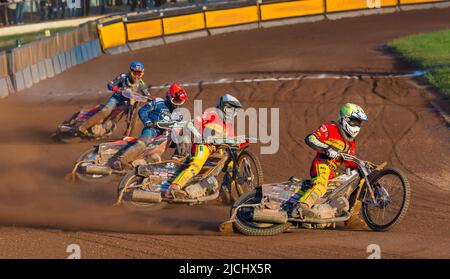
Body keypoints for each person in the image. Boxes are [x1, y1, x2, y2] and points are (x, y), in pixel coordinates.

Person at [165, 93, 242, 198]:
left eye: (234, 110)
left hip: (215, 151)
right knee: (196, 165)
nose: (231, 112)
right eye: (229, 109)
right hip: (203, 146)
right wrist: (199, 136)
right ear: (222, 107)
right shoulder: (212, 114)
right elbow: (190, 124)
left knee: (230, 163)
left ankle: (225, 191)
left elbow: (230, 141)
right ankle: (174, 187)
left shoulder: (229, 125)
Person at [297, 103, 368, 216]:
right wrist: (327, 148)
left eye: (360, 123)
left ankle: (351, 216)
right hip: (321, 164)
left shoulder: (351, 143)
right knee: (320, 185)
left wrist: (361, 165)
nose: (357, 125)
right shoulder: (330, 128)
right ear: (345, 119)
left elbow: (350, 161)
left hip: (333, 171)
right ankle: (302, 205)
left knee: (350, 182)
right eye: (355, 121)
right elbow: (310, 138)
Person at [108, 83, 188, 170]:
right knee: (143, 142)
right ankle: (120, 160)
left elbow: (179, 127)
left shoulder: (179, 114)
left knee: (182, 135)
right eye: (176, 101)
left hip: (164, 137)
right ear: (169, 97)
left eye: (180, 101)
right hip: (151, 129)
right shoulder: (158, 102)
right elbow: (142, 110)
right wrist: (148, 121)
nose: (178, 104)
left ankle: (177, 160)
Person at [73, 61, 151, 136]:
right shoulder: (123, 76)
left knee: (135, 110)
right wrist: (115, 89)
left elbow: (147, 94)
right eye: (135, 73)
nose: (137, 76)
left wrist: (152, 99)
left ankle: (126, 131)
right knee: (106, 111)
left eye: (139, 74)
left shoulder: (141, 83)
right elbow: (110, 84)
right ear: (130, 72)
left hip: (127, 103)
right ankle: (83, 127)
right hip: (116, 99)